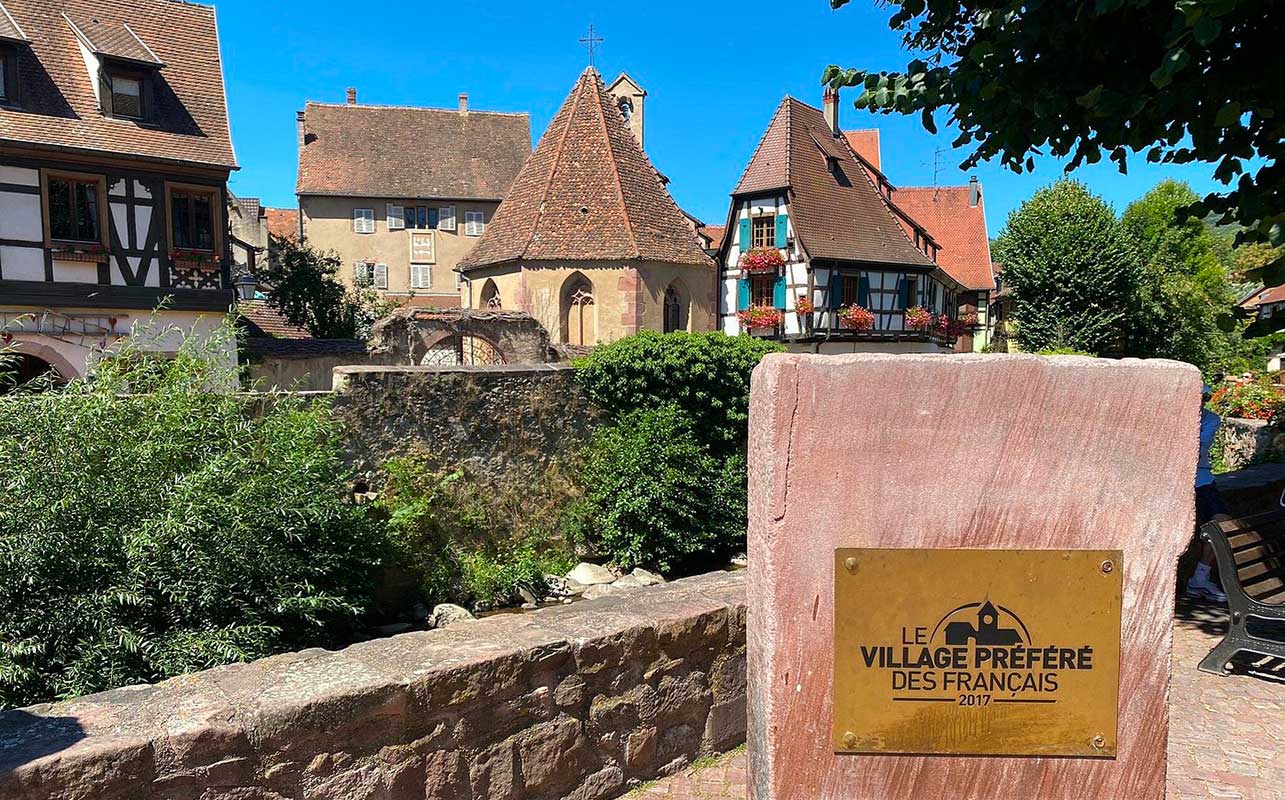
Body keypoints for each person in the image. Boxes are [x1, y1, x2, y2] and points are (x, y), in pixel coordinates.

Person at [1187, 384, 1229, 603]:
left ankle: (1199, 579)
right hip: (1176, 480)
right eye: (1199, 396)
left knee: (1220, 524)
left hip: (1201, 479)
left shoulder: (1210, 420)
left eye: (1206, 397)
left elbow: (1195, 449)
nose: (1203, 401)